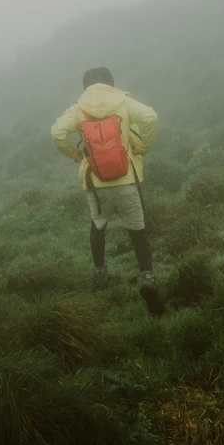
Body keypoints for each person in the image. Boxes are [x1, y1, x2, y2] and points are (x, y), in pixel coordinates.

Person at [50, 67, 162, 313]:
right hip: (126, 180)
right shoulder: (124, 101)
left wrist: (75, 153)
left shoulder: (79, 108)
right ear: (110, 82)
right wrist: (143, 146)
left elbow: (57, 132)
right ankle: (147, 277)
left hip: (95, 183)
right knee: (138, 232)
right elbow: (151, 117)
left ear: (85, 86)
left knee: (98, 227)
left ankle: (100, 275)